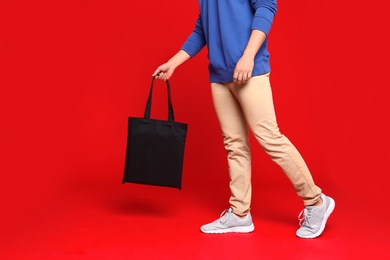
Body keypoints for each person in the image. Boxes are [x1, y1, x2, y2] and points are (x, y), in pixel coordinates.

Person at [152, 0, 335, 238]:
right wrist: (173, 63)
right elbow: (202, 29)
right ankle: (239, 214)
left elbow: (267, 8)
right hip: (219, 76)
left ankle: (316, 201)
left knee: (270, 137)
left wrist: (248, 56)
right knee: (234, 144)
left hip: (249, 70)